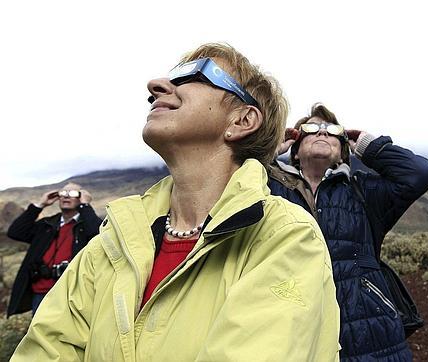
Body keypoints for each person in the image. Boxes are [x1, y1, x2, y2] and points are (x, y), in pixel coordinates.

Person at [12, 43, 340, 361]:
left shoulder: (284, 236)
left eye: (195, 75)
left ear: (242, 121)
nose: (156, 86)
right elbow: (47, 347)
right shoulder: (115, 241)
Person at [268, 103, 428, 361]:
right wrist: (266, 148)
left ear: (343, 153)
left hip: (371, 334)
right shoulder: (268, 187)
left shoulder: (363, 191)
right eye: (312, 128)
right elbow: (228, 179)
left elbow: (419, 173)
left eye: (333, 130)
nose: (322, 133)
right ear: (295, 148)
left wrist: (369, 146)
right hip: (287, 327)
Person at [6, 183, 101, 316]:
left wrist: (85, 206)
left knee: (68, 335)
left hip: (71, 293)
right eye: (62, 193)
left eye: (73, 194)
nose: (66, 197)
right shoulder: (47, 224)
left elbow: (98, 235)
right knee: (39, 335)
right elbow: (15, 232)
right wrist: (40, 205)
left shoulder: (86, 225)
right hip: (41, 292)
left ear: (81, 197)